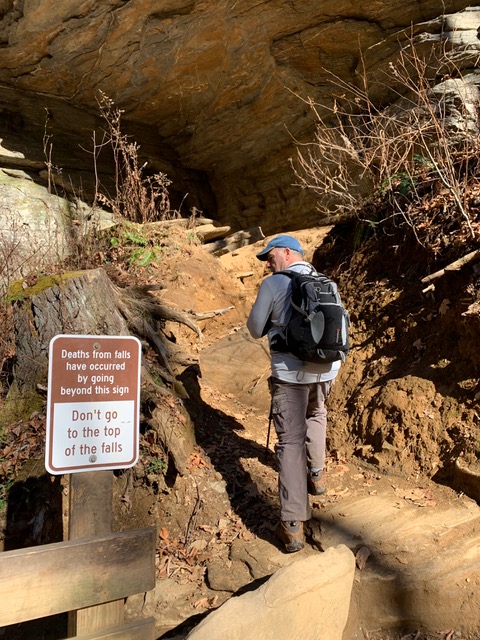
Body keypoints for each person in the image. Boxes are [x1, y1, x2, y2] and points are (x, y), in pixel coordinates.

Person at [247, 234, 341, 553]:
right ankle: (317, 476)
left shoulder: (274, 284)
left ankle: (291, 525)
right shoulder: (326, 282)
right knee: (317, 413)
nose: (267, 263)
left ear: (287, 252)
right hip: (326, 370)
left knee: (290, 441)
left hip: (290, 374)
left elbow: (254, 329)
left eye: (270, 256)